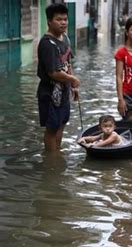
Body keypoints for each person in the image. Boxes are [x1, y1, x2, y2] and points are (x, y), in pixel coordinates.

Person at [36, 3, 81, 152]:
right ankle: (51, 159)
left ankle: (57, 153)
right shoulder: (47, 44)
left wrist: (73, 85)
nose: (63, 22)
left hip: (63, 91)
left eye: (65, 19)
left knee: (62, 123)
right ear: (49, 21)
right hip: (49, 93)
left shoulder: (65, 39)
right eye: (59, 19)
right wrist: (72, 79)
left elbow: (68, 63)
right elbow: (53, 73)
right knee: (52, 128)